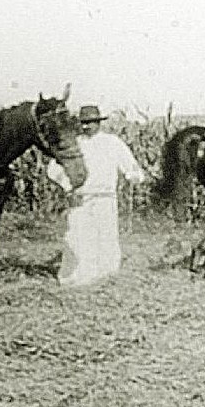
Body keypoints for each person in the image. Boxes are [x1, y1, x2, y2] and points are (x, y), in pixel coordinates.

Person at [47, 105, 146, 286]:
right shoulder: (73, 144)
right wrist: (68, 188)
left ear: (99, 123)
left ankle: (106, 275)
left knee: (106, 235)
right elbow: (54, 170)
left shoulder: (112, 142)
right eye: (83, 123)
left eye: (91, 122)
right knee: (78, 236)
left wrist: (134, 176)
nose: (86, 127)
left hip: (106, 198)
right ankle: (77, 276)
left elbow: (130, 166)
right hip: (80, 198)